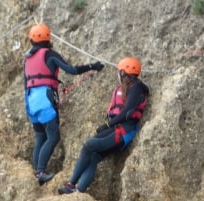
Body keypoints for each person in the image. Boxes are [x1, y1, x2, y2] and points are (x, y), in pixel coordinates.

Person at [24, 23, 105, 185]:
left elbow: (25, 83)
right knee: (53, 137)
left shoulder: (27, 59)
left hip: (30, 100)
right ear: (48, 37)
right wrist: (93, 66)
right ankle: (40, 172)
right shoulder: (50, 54)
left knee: (41, 137)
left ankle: (36, 171)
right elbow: (72, 70)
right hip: (45, 100)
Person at [58, 57, 149, 194]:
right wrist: (109, 125)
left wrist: (107, 124)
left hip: (123, 130)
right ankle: (78, 191)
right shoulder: (130, 87)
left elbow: (127, 113)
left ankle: (71, 185)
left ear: (124, 73)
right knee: (93, 157)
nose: (118, 74)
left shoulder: (137, 88)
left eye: (119, 71)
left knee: (89, 145)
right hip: (117, 128)